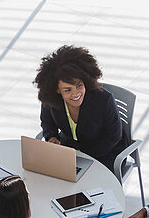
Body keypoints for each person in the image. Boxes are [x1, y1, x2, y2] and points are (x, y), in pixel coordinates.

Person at [33, 45, 125, 173]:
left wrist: (84, 156)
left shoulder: (104, 100)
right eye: (67, 90)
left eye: (79, 85)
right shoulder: (52, 100)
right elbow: (47, 121)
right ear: (57, 90)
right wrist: (51, 137)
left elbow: (113, 137)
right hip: (72, 150)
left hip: (105, 153)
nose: (76, 93)